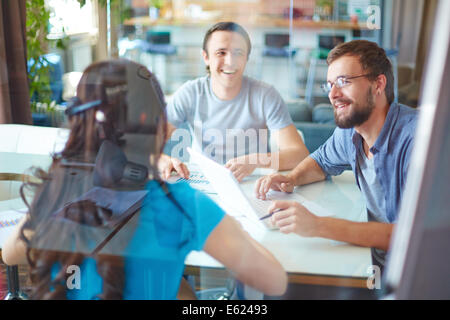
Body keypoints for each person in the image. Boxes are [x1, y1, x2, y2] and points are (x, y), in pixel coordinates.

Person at [1, 59, 287, 299]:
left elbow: (10, 254)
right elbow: (275, 281)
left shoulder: (57, 191)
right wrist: (233, 227)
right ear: (158, 127)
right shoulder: (182, 204)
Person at [255, 40, 418, 269]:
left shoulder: (417, 141)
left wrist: (318, 225)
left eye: (343, 81)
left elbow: (409, 236)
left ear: (378, 83)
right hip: (372, 259)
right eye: (329, 84)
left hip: (412, 273)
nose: (333, 94)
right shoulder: (351, 131)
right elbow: (320, 162)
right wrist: (290, 179)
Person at [159, 22, 309, 182]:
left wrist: (254, 161)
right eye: (221, 53)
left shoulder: (265, 95)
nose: (230, 61)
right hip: (202, 184)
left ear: (247, 58)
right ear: (206, 57)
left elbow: (299, 154)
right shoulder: (190, 93)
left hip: (253, 185)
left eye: (238, 53)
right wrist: (163, 161)